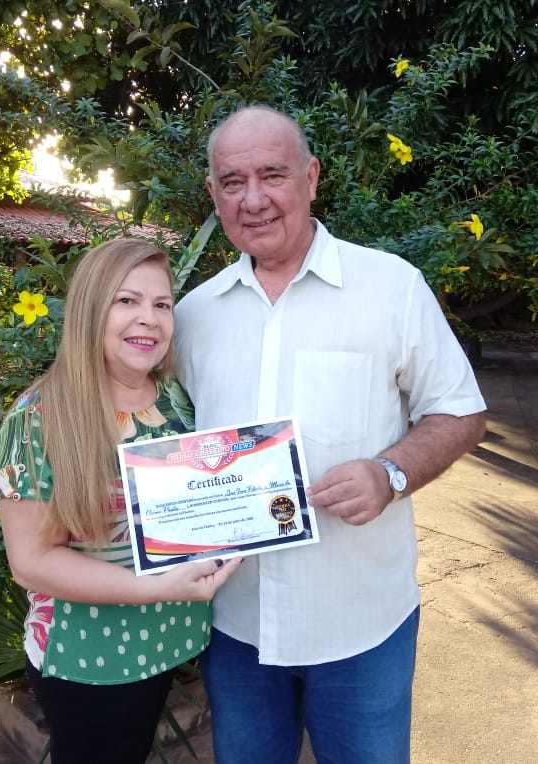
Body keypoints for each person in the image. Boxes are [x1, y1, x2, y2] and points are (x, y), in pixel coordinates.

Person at [174, 106, 488, 763]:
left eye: (273, 175)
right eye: (232, 182)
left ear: (312, 178)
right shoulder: (193, 317)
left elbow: (459, 411)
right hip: (237, 629)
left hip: (362, 627)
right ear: (213, 194)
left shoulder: (391, 288)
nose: (253, 199)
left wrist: (390, 474)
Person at [0, 238, 241, 763]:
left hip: (168, 640)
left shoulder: (174, 399)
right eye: (126, 300)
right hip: (90, 658)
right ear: (90, 310)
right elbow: (30, 562)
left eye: (162, 304)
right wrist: (154, 588)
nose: (148, 318)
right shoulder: (38, 416)